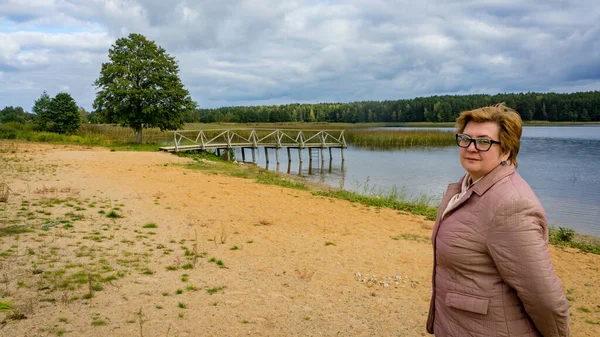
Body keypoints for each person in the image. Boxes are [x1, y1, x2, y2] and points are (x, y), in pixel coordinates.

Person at [426, 103, 570, 336]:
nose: (471, 148)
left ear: (506, 150)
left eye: (484, 142)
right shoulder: (467, 186)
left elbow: (545, 299)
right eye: (466, 138)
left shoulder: (511, 206)